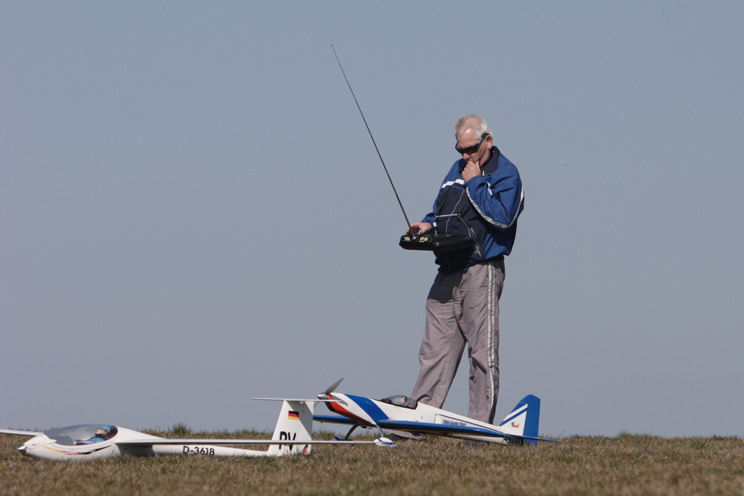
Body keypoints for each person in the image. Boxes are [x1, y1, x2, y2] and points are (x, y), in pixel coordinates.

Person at [406, 114, 524, 425]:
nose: (464, 156)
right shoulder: (456, 168)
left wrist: (476, 182)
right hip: (447, 271)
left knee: (482, 355)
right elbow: (441, 209)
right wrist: (427, 224)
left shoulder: (507, 175)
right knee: (433, 351)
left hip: (480, 270)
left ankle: (479, 427)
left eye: (470, 149)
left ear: (488, 141)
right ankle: (418, 425)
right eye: (459, 150)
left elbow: (503, 218)